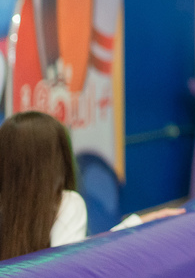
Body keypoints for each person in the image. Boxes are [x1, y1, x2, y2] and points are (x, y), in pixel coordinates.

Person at [0, 111, 183, 261]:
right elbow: (65, 267)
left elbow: (80, 248)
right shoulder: (67, 203)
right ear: (58, 160)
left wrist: (136, 223)